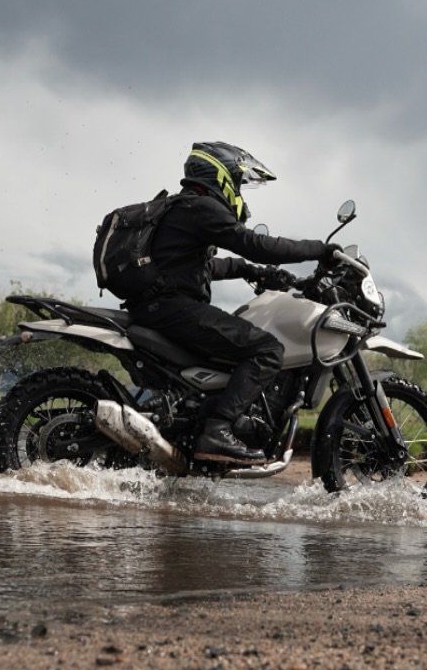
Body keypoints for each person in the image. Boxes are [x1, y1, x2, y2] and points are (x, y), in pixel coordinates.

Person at [120, 141, 334, 463]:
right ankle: (217, 430)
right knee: (267, 349)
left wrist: (257, 273)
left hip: (159, 308)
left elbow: (205, 268)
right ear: (221, 175)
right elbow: (254, 243)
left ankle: (201, 421)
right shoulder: (200, 208)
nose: (238, 191)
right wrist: (319, 250)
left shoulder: (184, 209)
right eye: (237, 182)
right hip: (172, 309)